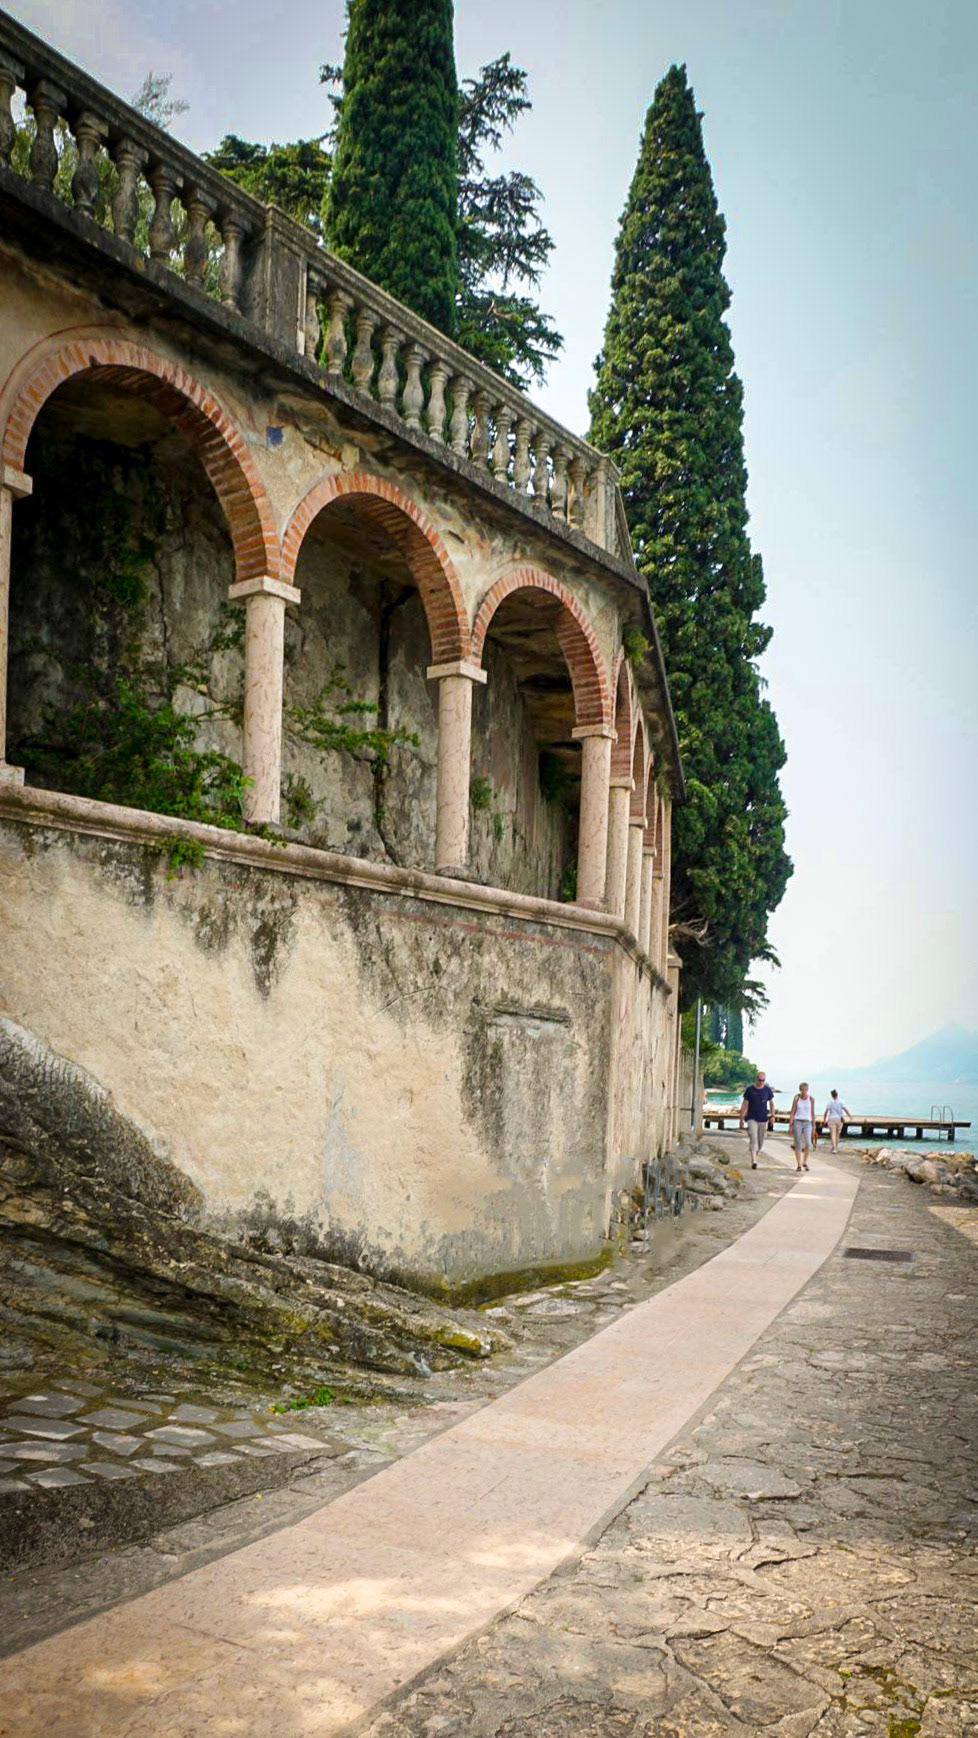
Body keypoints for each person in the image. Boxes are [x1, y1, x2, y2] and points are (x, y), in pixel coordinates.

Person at [738, 1070, 775, 1168]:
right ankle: (754, 1160)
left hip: (763, 1118)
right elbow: (744, 1104)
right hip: (751, 1118)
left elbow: (771, 1104)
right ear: (756, 1079)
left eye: (763, 1080)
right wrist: (741, 1118)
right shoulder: (750, 1089)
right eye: (759, 1080)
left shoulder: (767, 1090)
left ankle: (755, 1155)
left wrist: (772, 1116)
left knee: (760, 1141)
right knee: (753, 1137)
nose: (761, 1082)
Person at [788, 1081, 817, 1171]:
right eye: (802, 1090)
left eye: (805, 1089)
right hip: (797, 1122)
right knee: (798, 1143)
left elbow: (812, 1113)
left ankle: (804, 1162)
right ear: (800, 1090)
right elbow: (792, 1111)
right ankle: (799, 1164)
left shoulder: (811, 1099)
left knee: (808, 1143)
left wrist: (814, 1126)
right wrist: (790, 1125)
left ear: (807, 1090)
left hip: (808, 1122)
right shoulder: (797, 1098)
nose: (804, 1091)